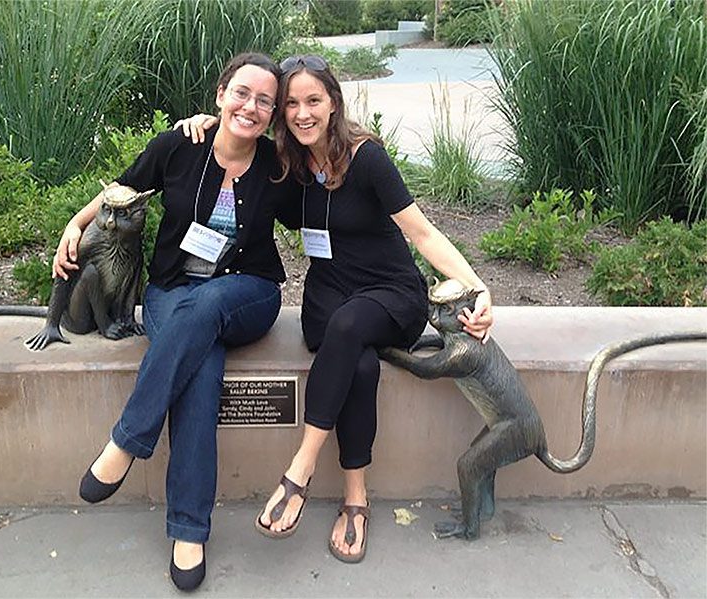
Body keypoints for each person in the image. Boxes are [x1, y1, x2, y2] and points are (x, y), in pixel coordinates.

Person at [178, 54, 493, 564]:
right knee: (358, 363)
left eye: (314, 101)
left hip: (389, 293)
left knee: (350, 329)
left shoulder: (366, 158)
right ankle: (355, 497)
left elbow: (422, 232)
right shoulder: (286, 166)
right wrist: (208, 122)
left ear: (333, 103)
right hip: (329, 296)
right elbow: (232, 147)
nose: (302, 113)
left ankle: (299, 470)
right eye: (292, 104)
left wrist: (478, 288)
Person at [54, 52, 286, 591]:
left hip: (248, 293)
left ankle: (127, 441)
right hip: (170, 291)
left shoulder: (277, 165)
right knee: (200, 376)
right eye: (242, 93)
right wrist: (76, 222)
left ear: (272, 115)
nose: (251, 107)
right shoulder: (180, 147)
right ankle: (189, 530)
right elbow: (121, 187)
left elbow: (329, 179)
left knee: (207, 307)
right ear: (220, 95)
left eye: (264, 101)